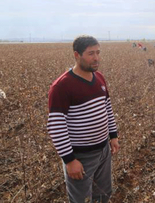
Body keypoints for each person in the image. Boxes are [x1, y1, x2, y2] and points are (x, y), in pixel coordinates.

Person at [46, 35, 120, 202]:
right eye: (91, 53)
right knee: (81, 199)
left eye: (98, 53)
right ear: (76, 55)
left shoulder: (99, 78)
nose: (96, 58)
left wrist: (113, 136)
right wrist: (70, 160)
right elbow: (56, 126)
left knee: (103, 194)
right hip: (81, 156)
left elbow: (107, 107)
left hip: (103, 150)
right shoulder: (61, 86)